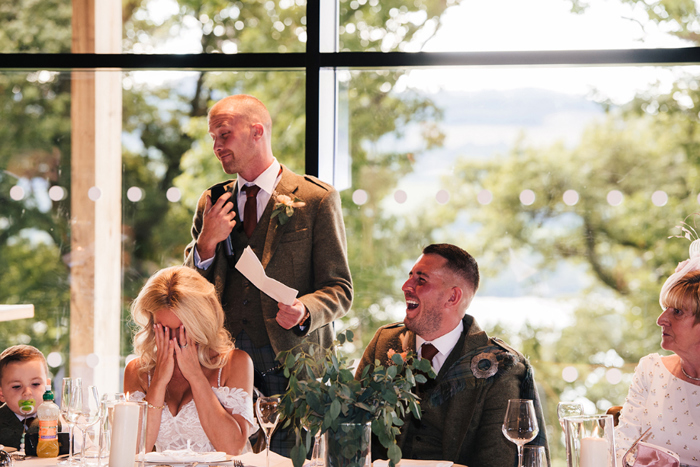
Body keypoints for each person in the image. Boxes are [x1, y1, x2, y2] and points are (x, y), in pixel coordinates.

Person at [183, 94, 353, 455]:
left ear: (256, 131)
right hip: (224, 362)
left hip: (293, 368)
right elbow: (188, 291)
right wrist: (207, 244)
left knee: (293, 459)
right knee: (228, 457)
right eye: (212, 138)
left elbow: (339, 289)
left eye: (223, 135)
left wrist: (305, 311)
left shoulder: (316, 199)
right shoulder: (211, 201)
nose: (216, 146)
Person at [355, 244, 549, 467]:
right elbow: (350, 430)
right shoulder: (384, 343)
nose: (405, 286)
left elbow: (498, 462)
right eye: (410, 277)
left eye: (421, 280)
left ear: (453, 297)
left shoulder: (500, 367)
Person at [123, 266, 255, 455]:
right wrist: (159, 381)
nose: (175, 340)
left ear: (201, 322)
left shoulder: (234, 363)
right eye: (164, 329)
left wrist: (195, 376)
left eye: (183, 329)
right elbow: (132, 450)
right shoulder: (137, 371)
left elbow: (233, 447)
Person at [615, 265, 700, 466]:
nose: (661, 320)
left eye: (677, 312)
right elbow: (621, 448)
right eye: (665, 310)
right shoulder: (650, 371)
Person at [0, 345, 49, 450]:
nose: (27, 393)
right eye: (17, 386)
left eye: (35, 384)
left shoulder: (60, 421)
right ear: (1, 393)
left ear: (47, 387)